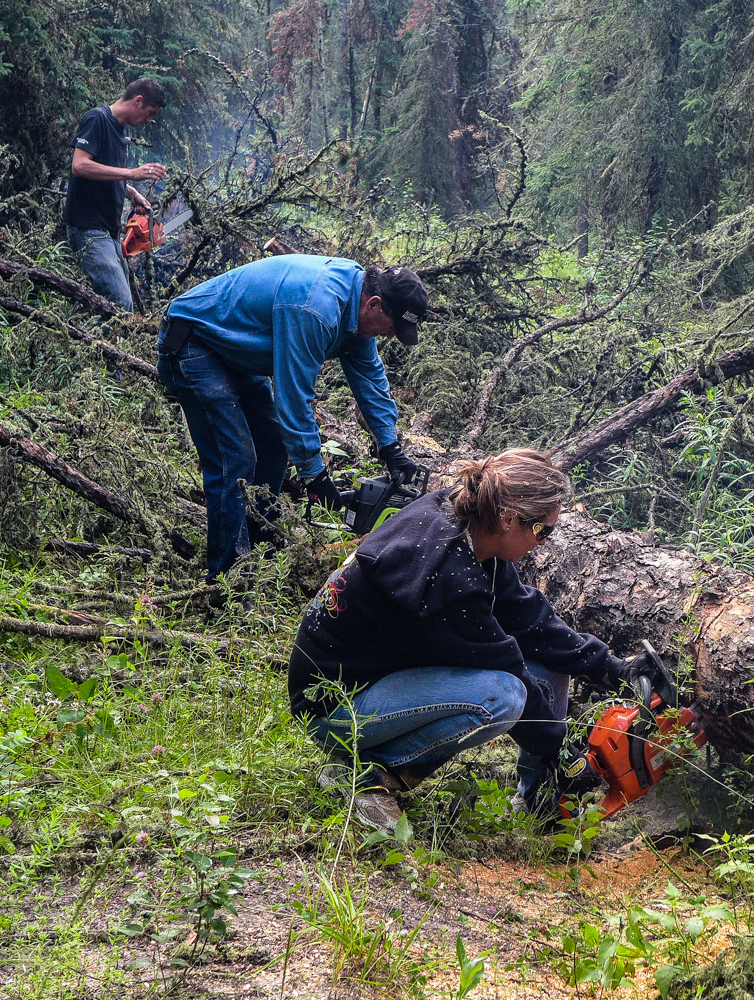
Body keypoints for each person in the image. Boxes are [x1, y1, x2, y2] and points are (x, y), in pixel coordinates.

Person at [286, 449, 661, 831]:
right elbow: (505, 665)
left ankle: (543, 798)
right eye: (541, 531)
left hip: (383, 676)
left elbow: (529, 621)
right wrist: (561, 751)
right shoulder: (446, 577)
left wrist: (614, 669)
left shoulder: (465, 523)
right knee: (502, 697)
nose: (544, 542)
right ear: (507, 518)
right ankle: (362, 775)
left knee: (547, 659)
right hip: (335, 706)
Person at [157, 254, 429, 579]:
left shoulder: (355, 305)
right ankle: (228, 579)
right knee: (236, 460)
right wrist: (315, 477)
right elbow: (294, 400)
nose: (389, 336)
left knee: (273, 445)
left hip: (233, 351)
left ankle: (263, 547)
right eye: (392, 327)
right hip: (193, 344)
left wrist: (390, 448)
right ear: (373, 304)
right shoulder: (315, 308)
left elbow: (370, 377)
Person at [64, 78, 168, 312]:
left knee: (117, 303)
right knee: (119, 303)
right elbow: (79, 165)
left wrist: (130, 193)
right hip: (87, 226)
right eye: (150, 113)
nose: (149, 120)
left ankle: (87, 341)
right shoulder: (97, 119)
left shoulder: (124, 128)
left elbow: (105, 170)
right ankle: (100, 348)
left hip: (109, 229)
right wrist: (132, 174)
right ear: (138, 101)